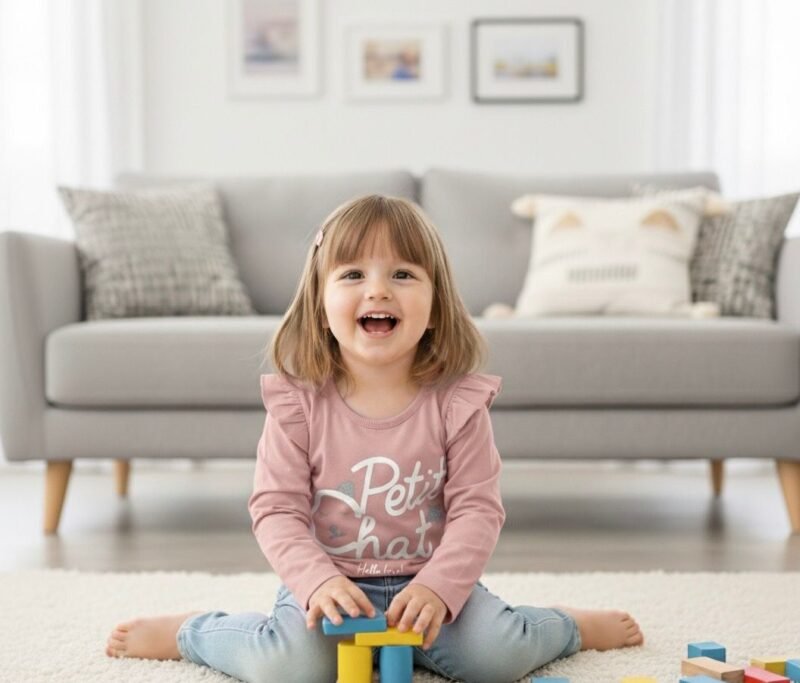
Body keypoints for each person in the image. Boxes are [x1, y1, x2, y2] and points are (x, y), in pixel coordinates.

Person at [104, 194, 644, 683]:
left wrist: (439, 589)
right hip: (333, 585)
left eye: (403, 274)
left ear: (436, 306)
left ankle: (563, 627)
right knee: (289, 668)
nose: (378, 289)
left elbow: (478, 510)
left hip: (432, 582)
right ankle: (193, 633)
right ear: (320, 302)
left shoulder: (458, 403)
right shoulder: (298, 404)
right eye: (353, 274)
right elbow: (276, 511)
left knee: (495, 657)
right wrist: (315, 583)